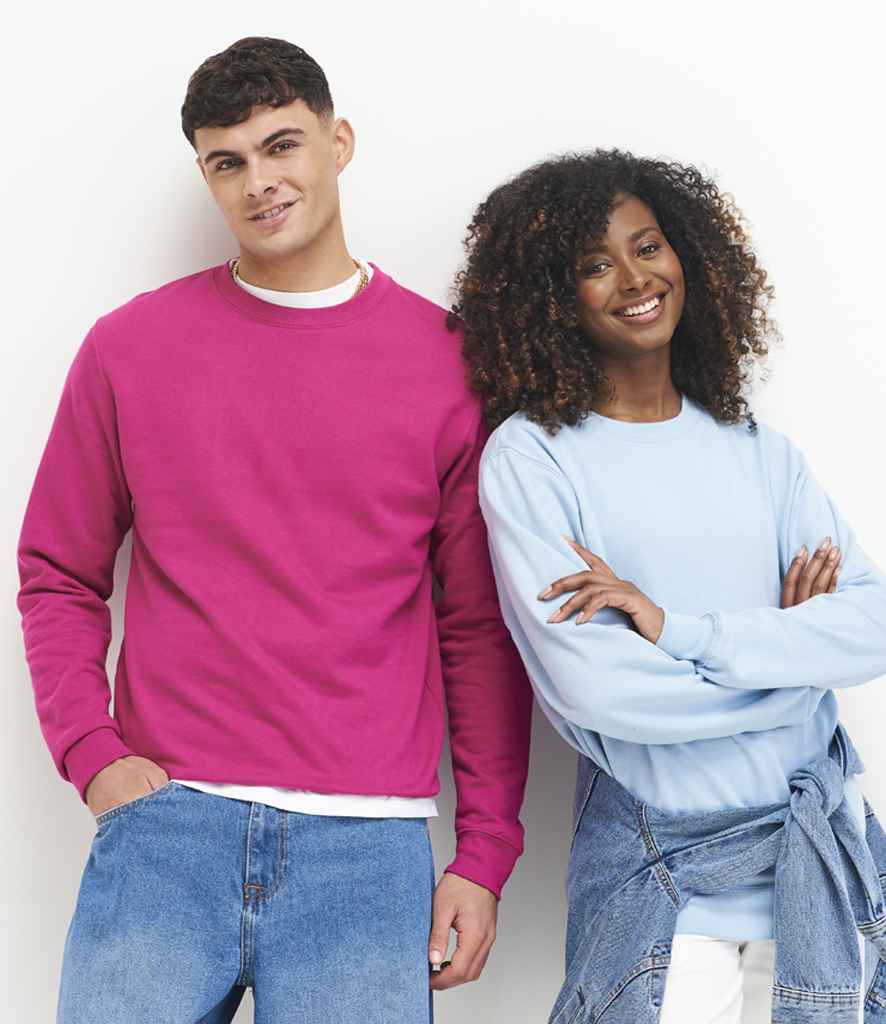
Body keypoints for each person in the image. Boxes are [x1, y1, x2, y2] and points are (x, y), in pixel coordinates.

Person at [16, 36, 532, 1024]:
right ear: (206, 176)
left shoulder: (448, 363)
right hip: (165, 830)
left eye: (282, 145)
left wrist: (484, 854)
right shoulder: (130, 348)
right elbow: (57, 572)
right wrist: (91, 751)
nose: (259, 181)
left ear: (339, 142)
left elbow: (477, 625)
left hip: (365, 852)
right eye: (228, 161)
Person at [452, 149, 886, 1022]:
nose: (634, 279)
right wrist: (796, 668)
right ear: (552, 298)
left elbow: (872, 623)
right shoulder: (534, 460)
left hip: (826, 883)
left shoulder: (760, 451)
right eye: (595, 265)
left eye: (647, 246)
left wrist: (680, 633)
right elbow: (603, 691)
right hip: (674, 906)